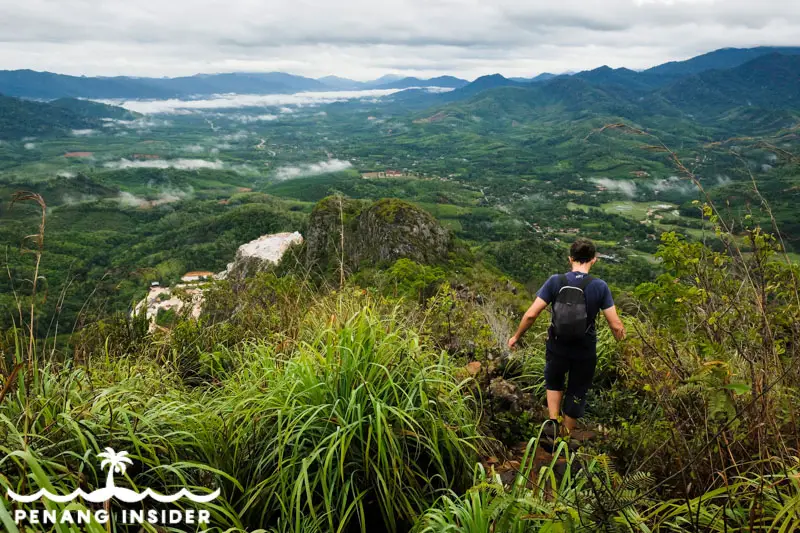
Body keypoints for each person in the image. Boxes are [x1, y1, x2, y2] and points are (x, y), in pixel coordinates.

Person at [507, 238, 625, 445]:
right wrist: (624, 347)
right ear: (594, 260)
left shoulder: (555, 281)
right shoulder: (600, 286)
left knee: (554, 380)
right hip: (584, 350)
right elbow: (616, 325)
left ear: (570, 258)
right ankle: (565, 440)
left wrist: (516, 336)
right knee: (577, 389)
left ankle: (552, 423)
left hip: (557, 346)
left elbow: (531, 315)